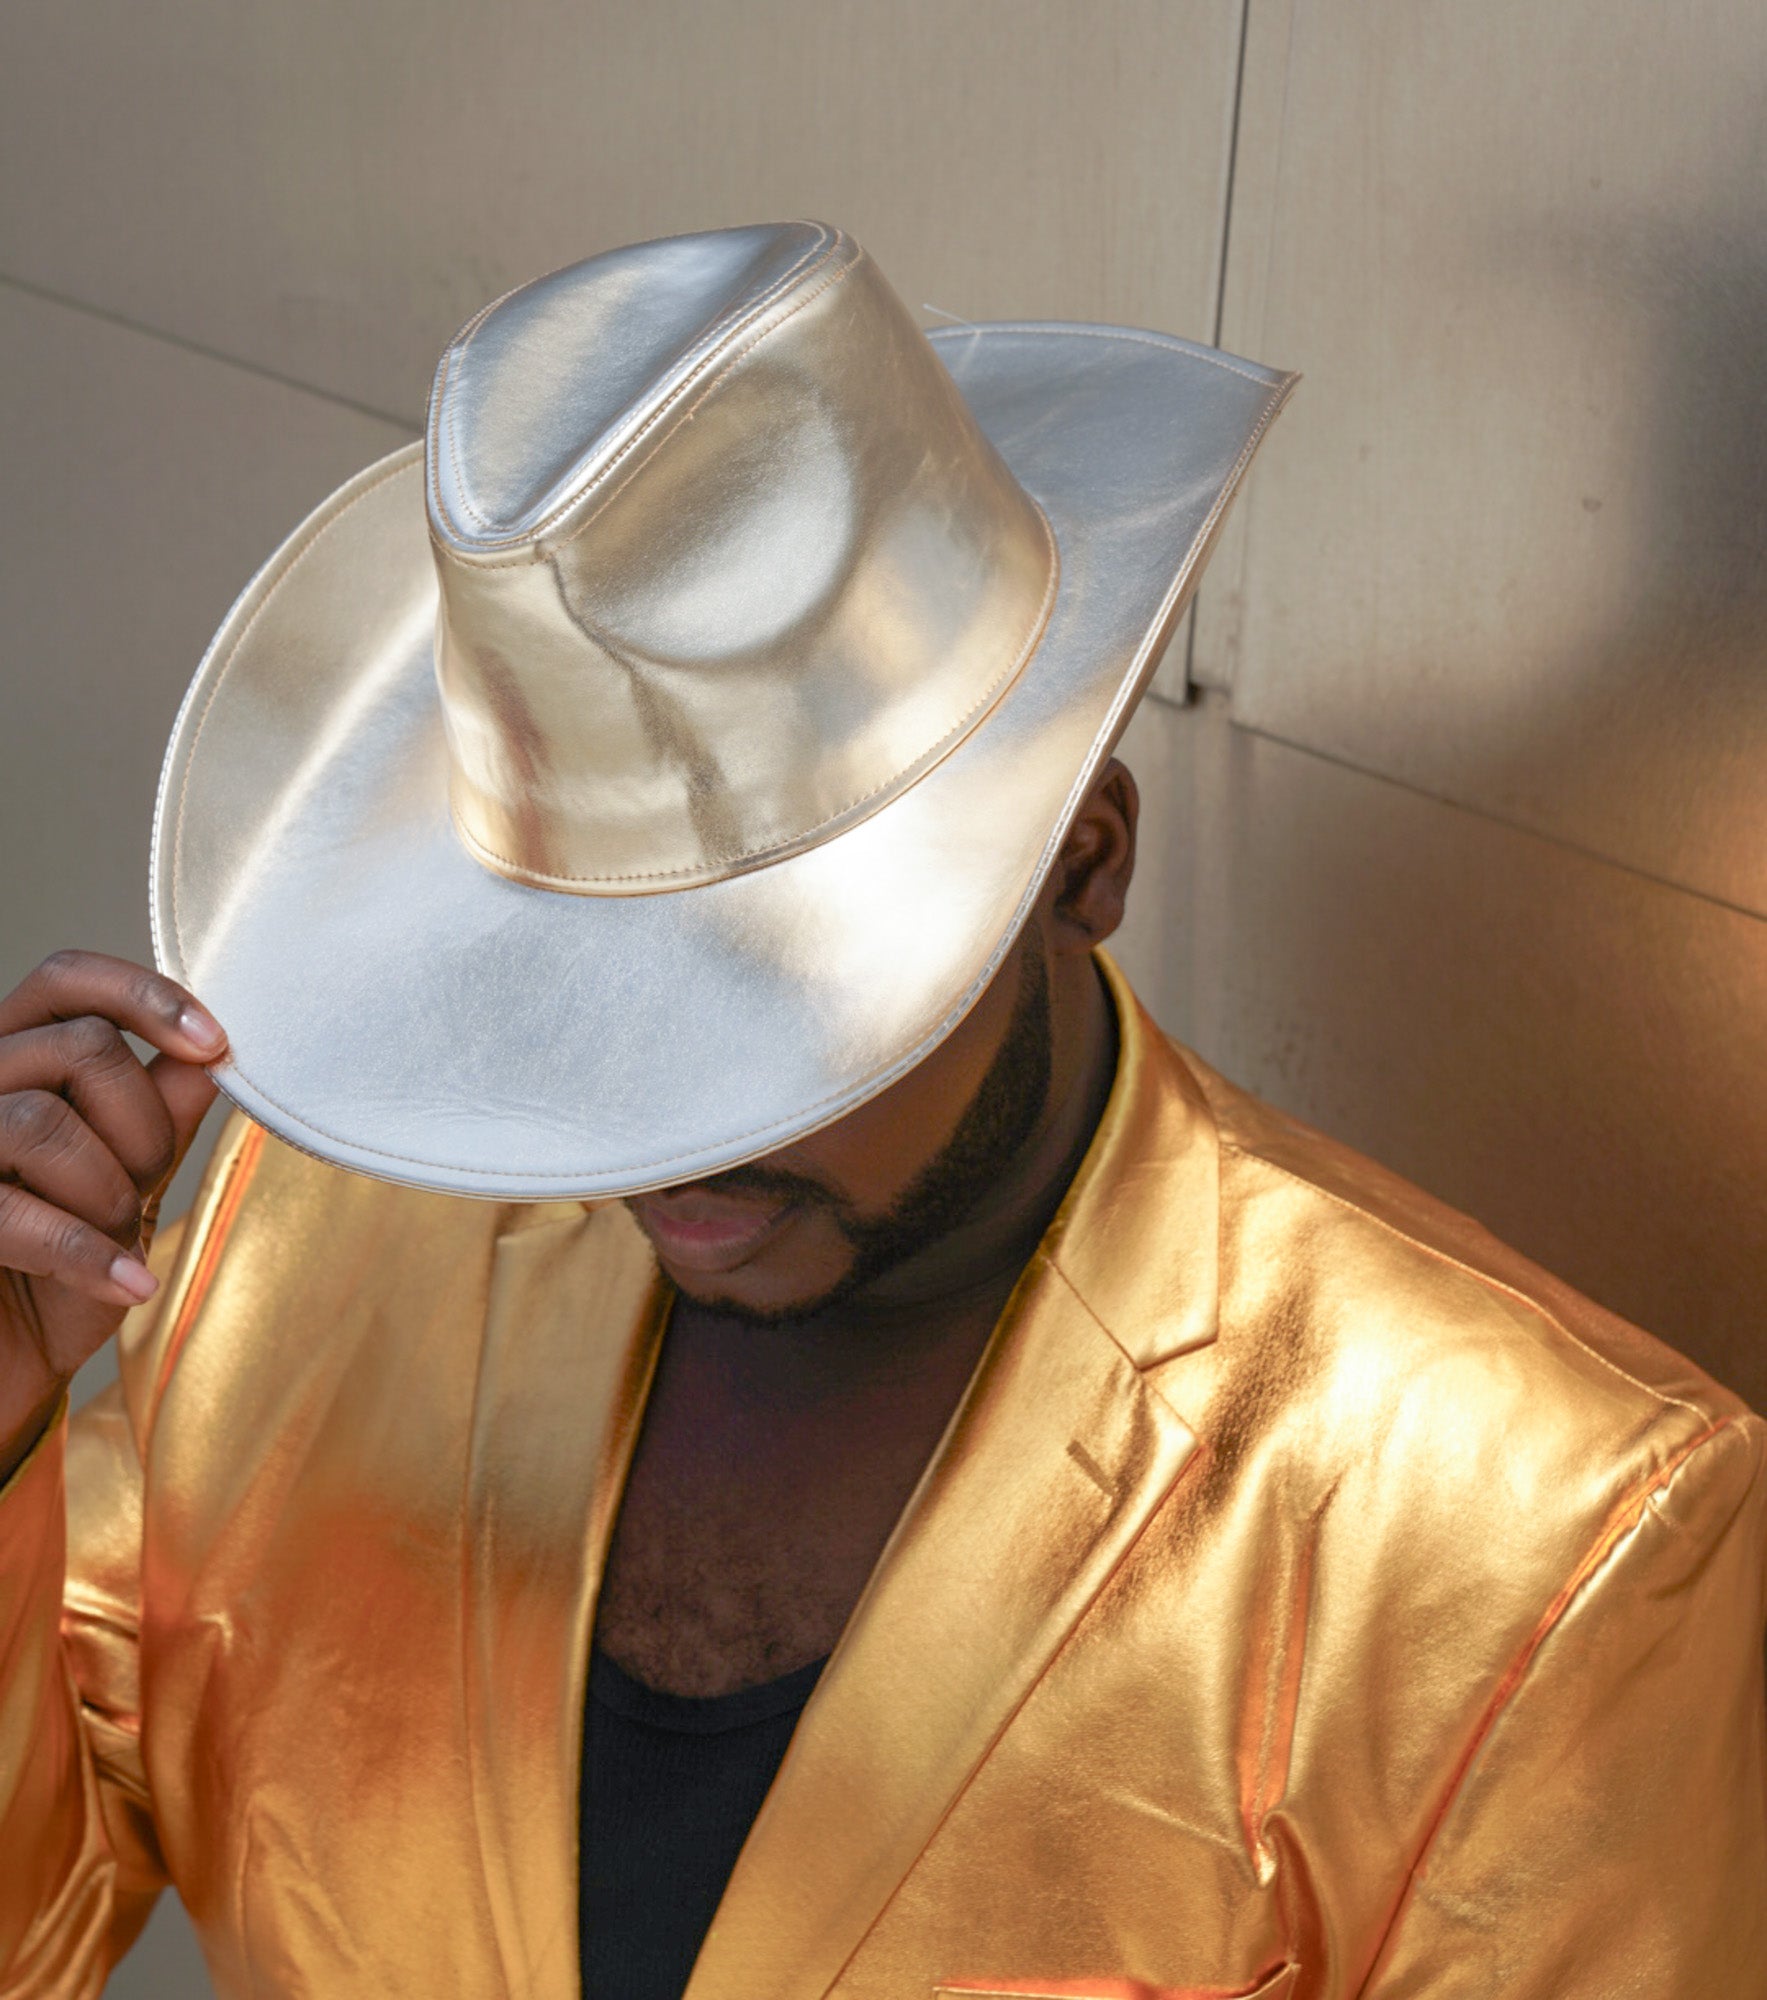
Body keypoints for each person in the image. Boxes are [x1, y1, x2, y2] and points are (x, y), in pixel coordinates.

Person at [0, 222, 1761, 2000]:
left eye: (766, 1013)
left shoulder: (1541, 1540)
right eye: (567, 1004)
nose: (663, 1144)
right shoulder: (322, 1234)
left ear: (1084, 864)